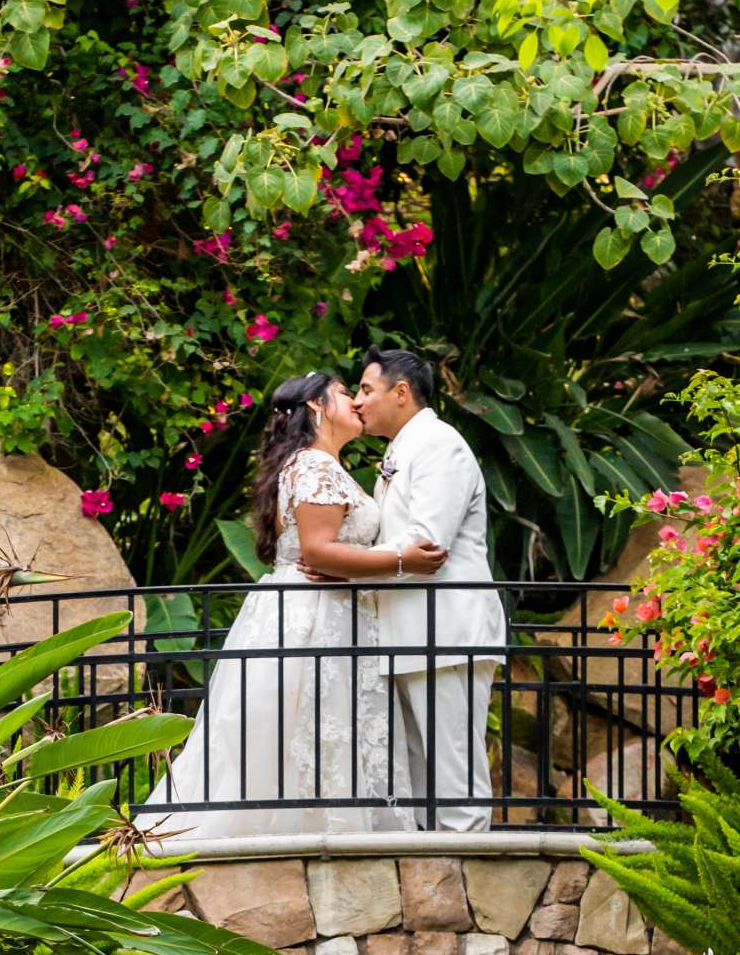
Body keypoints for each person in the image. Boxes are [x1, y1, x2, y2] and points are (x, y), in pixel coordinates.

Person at [138, 371, 448, 841]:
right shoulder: (314, 467)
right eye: (347, 393)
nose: (357, 403)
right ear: (317, 407)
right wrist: (402, 560)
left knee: (314, 729)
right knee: (303, 727)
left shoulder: (318, 465)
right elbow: (319, 550)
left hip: (330, 611)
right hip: (314, 616)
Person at [355, 347, 507, 832]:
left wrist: (350, 569)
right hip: (411, 633)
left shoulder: (440, 445)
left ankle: (467, 876)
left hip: (447, 633)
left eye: (366, 389)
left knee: (453, 768)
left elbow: (428, 541)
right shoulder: (404, 447)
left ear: (401, 393)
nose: (358, 402)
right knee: (423, 771)